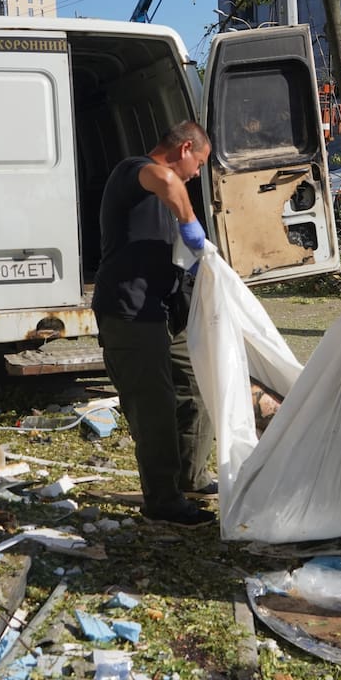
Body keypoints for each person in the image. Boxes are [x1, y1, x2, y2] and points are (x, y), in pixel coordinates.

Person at [91, 121, 218, 528]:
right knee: (155, 408)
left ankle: (190, 475)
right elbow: (163, 177)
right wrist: (189, 222)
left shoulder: (163, 192)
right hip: (129, 312)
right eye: (197, 164)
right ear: (183, 149)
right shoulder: (133, 171)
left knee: (199, 383)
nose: (196, 174)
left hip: (162, 310)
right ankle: (163, 501)